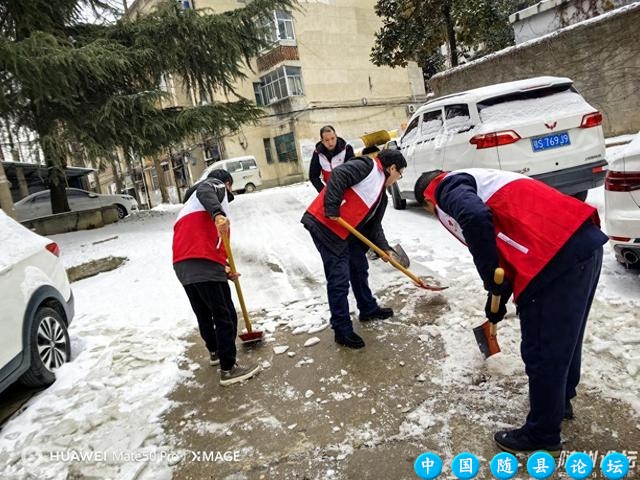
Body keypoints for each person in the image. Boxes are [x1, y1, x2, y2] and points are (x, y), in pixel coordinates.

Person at [418, 168, 607, 456]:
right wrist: (498, 291)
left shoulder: (446, 187)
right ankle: (559, 402)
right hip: (582, 240)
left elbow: (474, 217)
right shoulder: (481, 178)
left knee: (542, 349)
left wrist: (491, 280)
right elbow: (498, 233)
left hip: (551, 255)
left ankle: (543, 432)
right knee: (567, 337)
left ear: (427, 199)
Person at [301, 149, 407, 349]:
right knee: (339, 279)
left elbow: (374, 226)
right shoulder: (367, 167)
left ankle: (367, 308)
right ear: (392, 168)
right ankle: (342, 330)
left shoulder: (380, 195)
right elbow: (339, 174)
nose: (399, 178)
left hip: (345, 231)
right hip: (325, 226)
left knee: (359, 267)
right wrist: (331, 207)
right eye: (400, 173)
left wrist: (384, 248)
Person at [172, 169, 260, 386]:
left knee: (203, 312)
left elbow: (206, 240)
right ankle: (229, 368)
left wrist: (224, 268)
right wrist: (218, 213)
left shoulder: (189, 205)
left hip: (182, 263)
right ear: (228, 184)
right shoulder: (215, 186)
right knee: (225, 315)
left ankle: (215, 352)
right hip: (202, 260)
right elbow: (206, 187)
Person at [308, 125, 355, 193]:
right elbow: (313, 176)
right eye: (327, 140)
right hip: (330, 191)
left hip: (349, 188)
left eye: (332, 138)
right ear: (322, 141)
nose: (330, 143)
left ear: (336, 136)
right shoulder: (317, 153)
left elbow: (352, 170)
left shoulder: (347, 148)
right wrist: (324, 192)